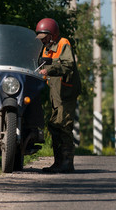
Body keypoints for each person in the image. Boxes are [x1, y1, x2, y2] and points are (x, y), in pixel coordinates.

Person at [35, 18, 81, 173]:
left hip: (66, 93)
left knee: (63, 126)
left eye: (44, 37)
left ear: (52, 35)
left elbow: (68, 65)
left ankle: (67, 164)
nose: (43, 41)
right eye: (40, 38)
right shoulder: (45, 49)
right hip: (55, 94)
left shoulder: (63, 44)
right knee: (54, 126)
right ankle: (58, 163)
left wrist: (49, 70)